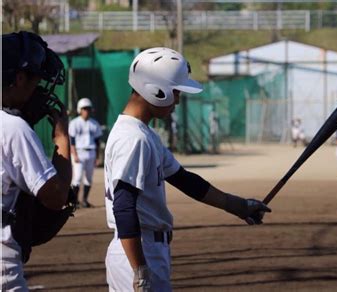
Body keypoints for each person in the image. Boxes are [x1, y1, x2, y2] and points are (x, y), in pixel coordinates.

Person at [104, 47, 271, 291]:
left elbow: (186, 180)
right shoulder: (134, 139)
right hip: (138, 253)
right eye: (176, 92)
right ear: (156, 90)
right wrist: (140, 271)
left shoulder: (144, 134)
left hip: (144, 251)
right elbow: (123, 206)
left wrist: (239, 206)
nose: (178, 101)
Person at [2, 31, 72, 289]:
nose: (39, 89)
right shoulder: (13, 128)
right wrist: (62, 138)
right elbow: (56, 197)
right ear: (19, 78)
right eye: (36, 81)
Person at [69, 97, 103, 208]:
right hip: (79, 152)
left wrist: (98, 157)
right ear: (79, 109)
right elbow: (72, 141)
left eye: (88, 108)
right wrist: (74, 155)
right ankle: (74, 202)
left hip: (91, 152)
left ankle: (84, 200)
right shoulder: (74, 123)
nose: (86, 110)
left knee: (88, 178)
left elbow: (98, 142)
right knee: (77, 177)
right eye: (84, 108)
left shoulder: (94, 124)